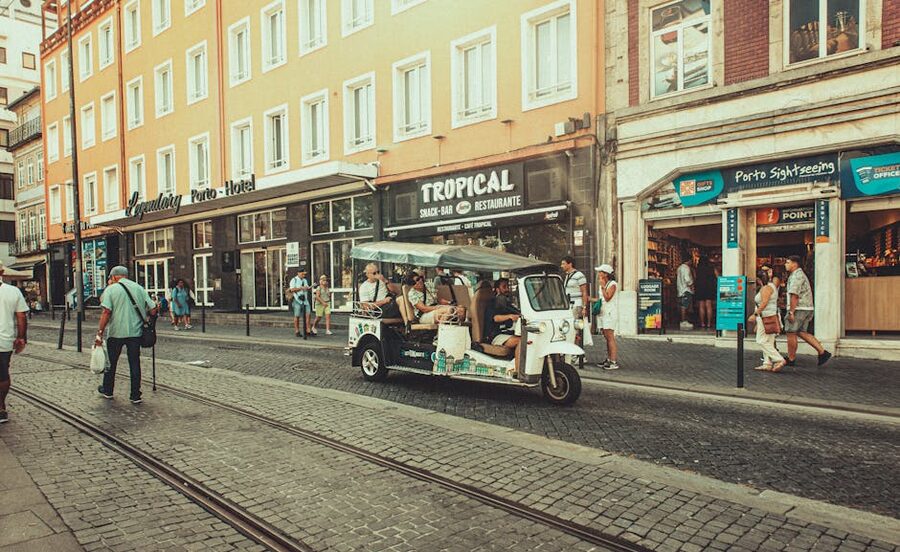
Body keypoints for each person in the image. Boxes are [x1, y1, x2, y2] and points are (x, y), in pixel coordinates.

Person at [95, 266, 158, 404]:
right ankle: (135, 395)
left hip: (116, 333)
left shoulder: (111, 289)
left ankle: (108, 390)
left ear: (114, 277)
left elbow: (106, 312)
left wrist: (100, 333)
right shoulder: (139, 288)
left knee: (111, 363)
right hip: (135, 333)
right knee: (134, 363)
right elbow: (153, 310)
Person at [784, 255, 831, 366]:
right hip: (806, 308)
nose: (786, 264)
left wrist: (791, 312)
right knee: (801, 332)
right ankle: (822, 352)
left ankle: (791, 358)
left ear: (794, 264)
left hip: (799, 308)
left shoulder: (797, 276)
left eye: (788, 262)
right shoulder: (799, 275)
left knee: (791, 332)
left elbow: (794, 295)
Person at [0, 261, 28, 424]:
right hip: (4, 341)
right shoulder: (13, 291)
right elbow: (21, 317)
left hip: (4, 341)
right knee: (3, 374)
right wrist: (21, 337)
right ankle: (1, 407)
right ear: (2, 271)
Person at [749, 269, 786, 372]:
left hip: (765, 317)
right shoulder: (772, 287)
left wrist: (755, 315)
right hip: (769, 316)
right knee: (769, 340)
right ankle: (767, 363)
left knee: (760, 340)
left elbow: (764, 303)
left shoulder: (766, 288)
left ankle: (779, 359)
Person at [482, 278, 521, 374]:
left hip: (506, 333)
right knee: (521, 341)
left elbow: (517, 312)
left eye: (508, 287)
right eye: (504, 287)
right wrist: (510, 316)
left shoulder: (505, 303)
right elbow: (495, 318)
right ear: (497, 289)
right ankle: (518, 371)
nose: (507, 289)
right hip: (494, 336)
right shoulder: (491, 303)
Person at [591, 264, 619, 370]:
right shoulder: (604, 284)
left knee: (610, 337)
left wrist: (602, 286)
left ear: (605, 274)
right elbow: (602, 300)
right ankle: (609, 359)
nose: (599, 274)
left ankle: (613, 361)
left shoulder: (612, 284)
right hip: (603, 313)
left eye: (600, 272)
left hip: (610, 313)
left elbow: (607, 298)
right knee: (606, 337)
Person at [560, 256, 589, 342]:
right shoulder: (567, 276)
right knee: (569, 327)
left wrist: (584, 307)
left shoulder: (579, 275)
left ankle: (576, 348)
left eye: (563, 264)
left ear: (570, 264)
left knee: (575, 328)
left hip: (576, 304)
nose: (562, 266)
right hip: (569, 305)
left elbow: (584, 292)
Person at [288, 268, 312, 337]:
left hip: (305, 300)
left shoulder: (305, 280)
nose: (303, 275)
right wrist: (301, 288)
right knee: (297, 315)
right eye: (302, 274)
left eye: (304, 274)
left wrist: (307, 288)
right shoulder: (294, 280)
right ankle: (297, 331)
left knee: (308, 314)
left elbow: (306, 287)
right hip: (297, 299)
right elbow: (292, 289)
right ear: (298, 273)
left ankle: (308, 330)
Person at [694, 256, 716, 329]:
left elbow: (694, 278)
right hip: (709, 288)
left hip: (700, 288)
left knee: (701, 306)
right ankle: (709, 323)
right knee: (709, 306)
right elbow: (718, 277)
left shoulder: (697, 269)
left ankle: (702, 323)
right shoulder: (712, 268)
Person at [676, 253, 696, 330]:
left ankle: (683, 321)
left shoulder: (679, 268)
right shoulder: (686, 268)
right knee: (685, 306)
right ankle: (683, 321)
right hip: (686, 290)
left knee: (682, 305)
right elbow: (688, 280)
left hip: (680, 289)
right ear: (689, 260)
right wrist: (692, 286)